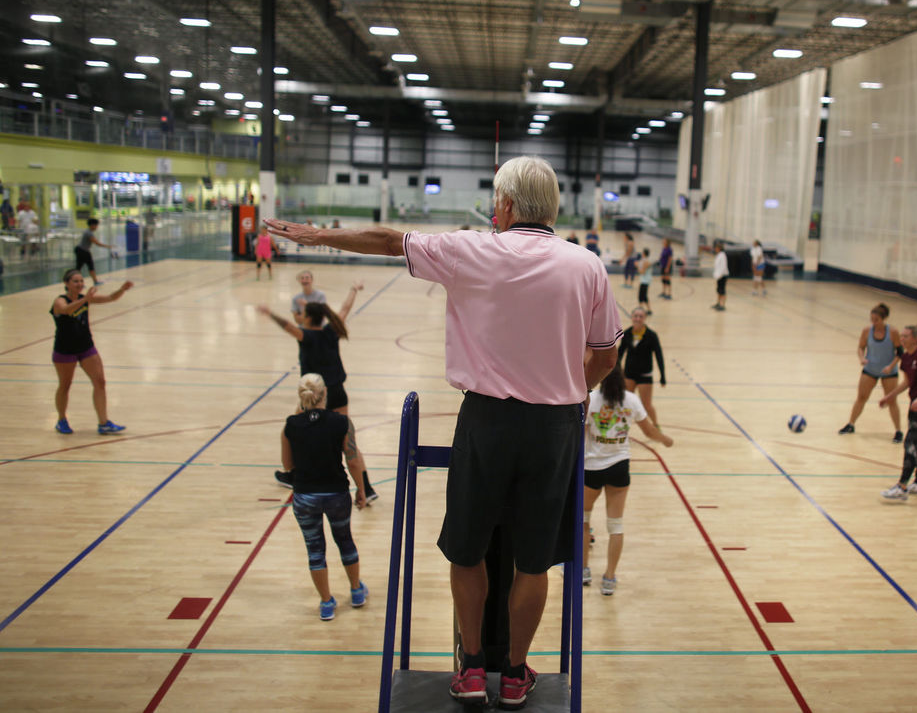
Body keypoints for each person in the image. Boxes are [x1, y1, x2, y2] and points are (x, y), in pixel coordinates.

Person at [263, 155, 621, 709]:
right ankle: (518, 673)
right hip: (555, 428)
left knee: (467, 548)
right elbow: (606, 355)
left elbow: (387, 240)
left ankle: (474, 669)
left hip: (486, 421)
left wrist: (318, 235)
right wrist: (570, 391)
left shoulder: (470, 249)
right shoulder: (587, 265)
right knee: (533, 561)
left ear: (503, 205)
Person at [257, 283, 379, 504]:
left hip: (315, 393)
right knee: (348, 441)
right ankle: (367, 487)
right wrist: (353, 289)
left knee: (291, 430)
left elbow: (286, 325)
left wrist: (269, 314)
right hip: (338, 393)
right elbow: (344, 309)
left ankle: (294, 473)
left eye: (302, 314)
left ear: (309, 318)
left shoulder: (306, 336)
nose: (299, 317)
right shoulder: (331, 331)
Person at [282, 373, 368, 621]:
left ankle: (326, 603)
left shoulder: (290, 425)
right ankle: (356, 592)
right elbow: (353, 460)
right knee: (345, 541)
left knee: (315, 550)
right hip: (336, 494)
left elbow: (287, 465)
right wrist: (361, 489)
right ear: (325, 395)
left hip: (305, 496)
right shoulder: (342, 423)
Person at [582, 365, 673, 595]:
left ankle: (583, 571)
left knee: (583, 521)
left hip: (591, 467)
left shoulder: (591, 399)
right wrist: (665, 440)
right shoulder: (631, 400)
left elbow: (579, 433)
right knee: (616, 525)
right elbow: (650, 432)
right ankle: (609, 578)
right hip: (619, 468)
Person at [50, 269, 134, 435]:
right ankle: (61, 419)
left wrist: (122, 290)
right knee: (65, 386)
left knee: (100, 382)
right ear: (66, 284)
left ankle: (103, 422)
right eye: (75, 281)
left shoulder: (84, 299)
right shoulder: (59, 301)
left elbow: (110, 297)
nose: (80, 284)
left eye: (81, 281)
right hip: (65, 350)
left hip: (86, 347)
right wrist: (87, 299)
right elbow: (66, 310)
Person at [878, 324, 917, 501]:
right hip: (915, 408)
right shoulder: (905, 358)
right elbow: (907, 382)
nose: (902, 339)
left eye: (906, 336)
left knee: (911, 444)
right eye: (902, 336)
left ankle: (902, 486)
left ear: (916, 338)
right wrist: (889, 396)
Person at [838, 303, 904, 442]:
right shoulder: (867, 331)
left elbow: (900, 353)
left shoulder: (892, 332)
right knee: (861, 397)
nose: (873, 322)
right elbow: (861, 347)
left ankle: (898, 431)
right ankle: (851, 424)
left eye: (876, 320)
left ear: (884, 319)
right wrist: (862, 358)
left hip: (889, 371)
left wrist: (891, 366)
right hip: (870, 369)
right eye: (872, 319)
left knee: (891, 400)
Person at [617, 306, 665, 428]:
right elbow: (620, 354)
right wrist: (616, 373)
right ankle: (622, 428)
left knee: (646, 404)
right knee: (625, 403)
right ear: (631, 317)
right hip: (629, 374)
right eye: (635, 316)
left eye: (641, 316)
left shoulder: (651, 335)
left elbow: (659, 356)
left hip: (645, 375)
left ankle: (656, 426)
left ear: (645, 318)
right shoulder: (627, 333)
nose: (638, 319)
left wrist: (662, 376)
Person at [76, 218, 115, 285]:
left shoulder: (88, 232)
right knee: (88, 266)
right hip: (83, 251)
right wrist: (108, 246)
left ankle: (91, 281)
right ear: (92, 225)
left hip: (82, 250)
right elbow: (97, 243)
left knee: (80, 267)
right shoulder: (89, 233)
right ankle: (92, 282)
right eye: (96, 225)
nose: (97, 227)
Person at [711, 240, 729, 311]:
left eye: (716, 248)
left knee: (722, 290)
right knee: (719, 290)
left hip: (723, 275)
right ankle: (718, 303)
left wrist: (720, 275)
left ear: (719, 248)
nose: (715, 249)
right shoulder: (719, 255)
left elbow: (723, 267)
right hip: (719, 276)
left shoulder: (723, 255)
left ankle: (722, 305)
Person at [636, 248, 653, 315]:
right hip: (644, 280)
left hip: (645, 281)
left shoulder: (646, 261)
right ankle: (648, 309)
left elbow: (642, 272)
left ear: (644, 253)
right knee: (644, 296)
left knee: (641, 295)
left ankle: (641, 309)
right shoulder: (644, 261)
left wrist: (637, 267)